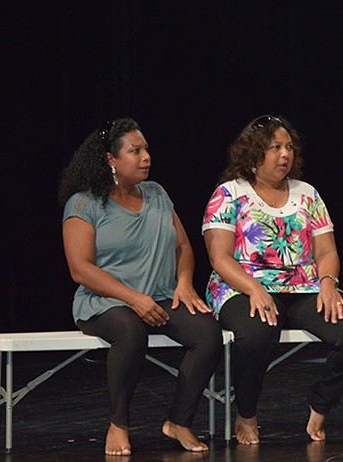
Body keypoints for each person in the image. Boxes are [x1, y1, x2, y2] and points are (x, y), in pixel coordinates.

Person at [202, 114, 343, 444]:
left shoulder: (307, 194)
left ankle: (320, 405)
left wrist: (327, 283)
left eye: (289, 147)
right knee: (257, 331)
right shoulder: (229, 194)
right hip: (241, 285)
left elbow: (326, 251)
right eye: (275, 147)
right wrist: (254, 289)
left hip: (303, 285)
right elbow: (219, 257)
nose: (285, 155)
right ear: (254, 153)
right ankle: (246, 413)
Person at [59, 118, 222, 456]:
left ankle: (179, 421)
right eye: (136, 151)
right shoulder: (84, 204)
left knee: (207, 333)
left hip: (160, 296)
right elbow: (80, 269)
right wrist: (133, 298)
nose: (146, 156)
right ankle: (119, 423)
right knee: (131, 330)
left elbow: (183, 248)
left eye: (146, 149)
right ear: (110, 160)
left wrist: (184, 283)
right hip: (104, 302)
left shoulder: (157, 194)